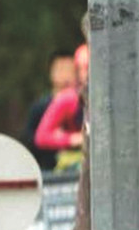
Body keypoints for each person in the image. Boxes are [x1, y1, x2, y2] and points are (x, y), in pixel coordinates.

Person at [34, 43, 90, 172]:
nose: (84, 74)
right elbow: (41, 137)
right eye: (80, 68)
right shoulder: (68, 98)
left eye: (87, 67)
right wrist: (72, 139)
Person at [23, 50, 79, 172]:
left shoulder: (81, 104)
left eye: (69, 70)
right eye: (60, 70)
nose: (65, 76)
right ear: (51, 72)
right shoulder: (40, 107)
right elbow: (31, 138)